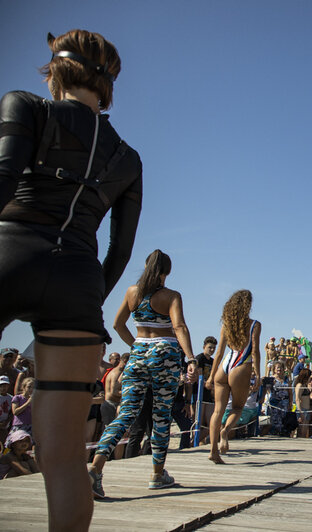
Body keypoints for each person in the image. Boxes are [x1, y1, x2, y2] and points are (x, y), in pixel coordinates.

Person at [0, 28, 142, 530]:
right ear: (107, 84)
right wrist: (88, 299)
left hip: (10, 248)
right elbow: (121, 251)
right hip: (79, 276)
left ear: (56, 68)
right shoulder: (128, 157)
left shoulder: (26, 106)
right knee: (63, 458)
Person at [88, 249, 197, 498]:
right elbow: (179, 326)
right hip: (166, 355)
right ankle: (158, 474)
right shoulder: (171, 296)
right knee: (161, 416)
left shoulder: (132, 292)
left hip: (138, 354)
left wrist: (135, 345)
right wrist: (190, 358)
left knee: (126, 414)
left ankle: (95, 469)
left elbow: (117, 324)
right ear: (166, 272)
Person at [208, 290, 261, 463]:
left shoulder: (226, 325)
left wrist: (210, 377)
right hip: (241, 365)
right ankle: (225, 431)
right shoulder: (254, 325)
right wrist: (258, 374)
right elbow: (254, 351)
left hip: (224, 365)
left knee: (217, 411)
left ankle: (213, 450)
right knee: (238, 408)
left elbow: (219, 352)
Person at [194, 336, 217, 444]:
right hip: (198, 392)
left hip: (209, 394)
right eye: (210, 347)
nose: (212, 350)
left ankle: (196, 442)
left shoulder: (213, 361)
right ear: (204, 347)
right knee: (199, 422)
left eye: (213, 348)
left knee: (209, 424)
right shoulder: (199, 358)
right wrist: (206, 384)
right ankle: (194, 442)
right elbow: (198, 376)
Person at [267, 360, 293, 436]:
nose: (279, 369)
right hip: (274, 404)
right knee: (274, 422)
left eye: (281, 367)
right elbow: (267, 391)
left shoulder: (286, 379)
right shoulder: (271, 379)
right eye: (277, 367)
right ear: (274, 369)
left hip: (285, 404)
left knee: (284, 422)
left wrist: (290, 404)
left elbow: (290, 392)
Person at [293, 367, 312, 439]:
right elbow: (297, 399)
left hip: (307, 409)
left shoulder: (305, 385)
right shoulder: (300, 385)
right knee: (301, 431)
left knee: (305, 432)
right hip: (302, 410)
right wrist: (300, 412)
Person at [0, 375, 12, 444]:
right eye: (1, 385)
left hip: (4, 425)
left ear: (8, 386)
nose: (3, 388)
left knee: (5, 443)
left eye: (5, 385)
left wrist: (6, 422)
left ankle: (4, 454)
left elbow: (12, 413)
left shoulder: (10, 398)